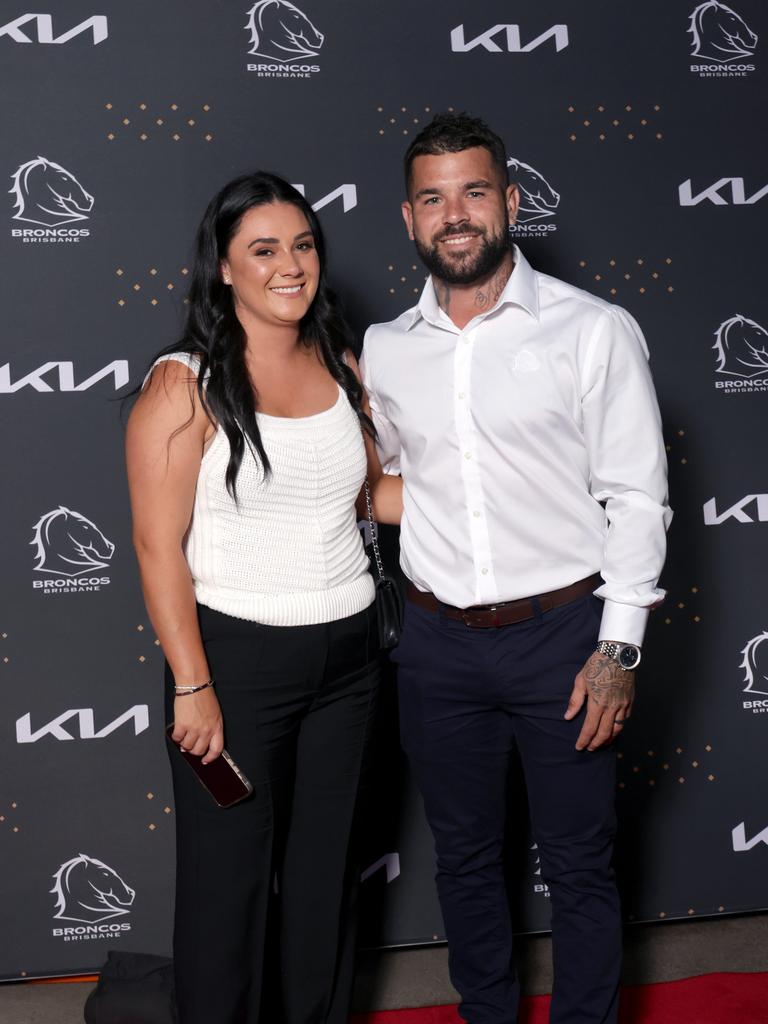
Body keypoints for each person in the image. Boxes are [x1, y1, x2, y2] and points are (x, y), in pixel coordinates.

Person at [361, 113, 671, 1024]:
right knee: (463, 859)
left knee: (578, 863)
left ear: (512, 203)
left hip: (565, 641)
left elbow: (637, 498)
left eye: (474, 191)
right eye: (433, 197)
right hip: (435, 646)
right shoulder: (385, 349)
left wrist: (619, 650)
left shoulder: (592, 329)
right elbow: (383, 481)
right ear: (409, 219)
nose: (455, 213)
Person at [125, 171, 400, 1024]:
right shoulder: (185, 384)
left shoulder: (341, 362)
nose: (291, 266)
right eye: (265, 249)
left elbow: (366, 498)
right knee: (227, 891)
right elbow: (155, 548)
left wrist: (501, 485)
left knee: (325, 883)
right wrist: (193, 684)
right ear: (223, 268)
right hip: (236, 666)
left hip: (350, 660)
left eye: (304, 245)